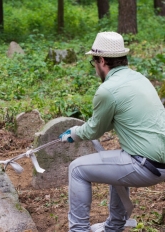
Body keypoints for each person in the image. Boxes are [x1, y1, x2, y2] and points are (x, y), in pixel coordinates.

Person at [58, 31, 165, 232]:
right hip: (160, 162)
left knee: (77, 169)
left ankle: (78, 230)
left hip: (146, 166)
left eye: (94, 62)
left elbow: (95, 130)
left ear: (102, 60)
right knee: (115, 161)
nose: (95, 68)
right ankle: (114, 227)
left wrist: (73, 133)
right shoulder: (138, 78)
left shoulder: (107, 90)